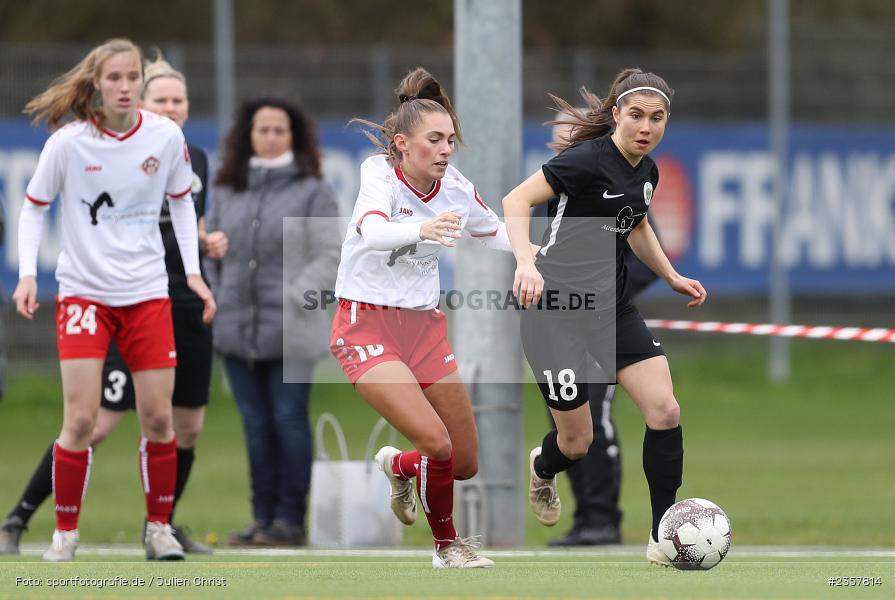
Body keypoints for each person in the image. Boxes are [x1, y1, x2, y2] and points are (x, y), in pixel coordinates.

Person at [0, 53, 227, 557]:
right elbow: (38, 208)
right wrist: (31, 275)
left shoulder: (183, 152)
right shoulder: (75, 144)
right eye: (159, 97)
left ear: (188, 106)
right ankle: (30, 521)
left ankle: (162, 526)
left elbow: (188, 217)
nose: (169, 107)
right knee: (89, 422)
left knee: (176, 424)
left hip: (171, 302)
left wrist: (199, 264)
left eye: (178, 100)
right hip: (97, 295)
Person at [503, 68, 707, 567]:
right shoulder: (585, 161)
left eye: (656, 118)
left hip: (611, 310)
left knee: (665, 411)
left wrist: (671, 274)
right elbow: (515, 200)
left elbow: (634, 224)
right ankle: (543, 465)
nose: (646, 126)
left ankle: (665, 537)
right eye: (636, 115)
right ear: (615, 115)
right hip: (554, 314)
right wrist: (525, 261)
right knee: (577, 442)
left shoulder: (648, 171)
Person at [333, 67, 510, 569]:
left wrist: (537, 255)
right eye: (435, 139)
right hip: (365, 325)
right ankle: (447, 548)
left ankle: (400, 467)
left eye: (450, 139)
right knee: (436, 442)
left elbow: (493, 231)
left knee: (464, 462)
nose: (445, 149)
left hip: (424, 328)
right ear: (401, 143)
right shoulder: (377, 173)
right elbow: (371, 231)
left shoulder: (455, 186)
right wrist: (423, 231)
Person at [207, 96, 339, 547]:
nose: (269, 137)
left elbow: (330, 254)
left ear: (293, 136)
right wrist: (218, 290)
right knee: (255, 425)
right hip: (235, 329)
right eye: (262, 129)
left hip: (292, 329)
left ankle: (289, 521)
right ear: (248, 135)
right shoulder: (226, 189)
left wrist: (294, 294)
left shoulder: (312, 190)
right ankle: (262, 519)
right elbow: (210, 252)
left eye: (278, 130)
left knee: (288, 420)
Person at [539, 111, 660, 547]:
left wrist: (609, 293)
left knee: (598, 420)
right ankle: (583, 516)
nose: (560, 141)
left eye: (566, 133)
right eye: (555, 135)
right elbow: (541, 250)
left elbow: (643, 253)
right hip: (558, 321)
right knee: (571, 431)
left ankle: (602, 519)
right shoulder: (558, 184)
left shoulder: (622, 182)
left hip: (604, 323)